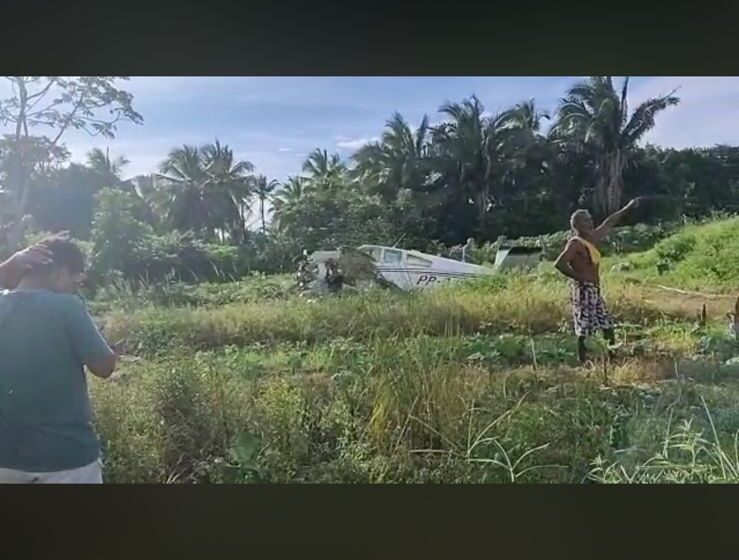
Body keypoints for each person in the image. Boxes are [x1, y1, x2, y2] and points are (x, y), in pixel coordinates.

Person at [0, 236, 117, 483]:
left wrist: (5, 269)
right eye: (76, 281)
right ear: (61, 273)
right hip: (66, 459)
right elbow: (104, 366)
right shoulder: (67, 306)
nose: (76, 288)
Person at [554, 198, 641, 364]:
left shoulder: (591, 239)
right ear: (577, 225)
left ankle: (612, 357)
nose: (590, 222)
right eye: (585, 220)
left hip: (593, 289)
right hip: (584, 289)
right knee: (585, 327)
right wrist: (580, 278)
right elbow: (560, 263)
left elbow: (609, 222)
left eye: (590, 219)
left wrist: (628, 207)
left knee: (606, 323)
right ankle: (583, 361)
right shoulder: (575, 244)